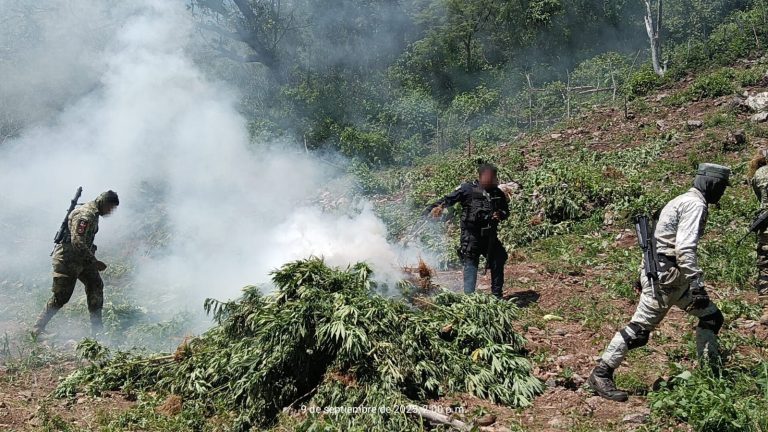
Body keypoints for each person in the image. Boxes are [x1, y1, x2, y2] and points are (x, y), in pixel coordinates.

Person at [588, 163, 730, 402]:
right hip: (669, 281)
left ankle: (710, 372)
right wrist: (697, 284)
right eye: (722, 187)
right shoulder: (695, 205)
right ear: (712, 183)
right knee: (638, 330)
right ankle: (601, 373)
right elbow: (684, 248)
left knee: (712, 317)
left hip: (667, 276)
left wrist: (642, 273)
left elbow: (656, 241)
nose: (722, 192)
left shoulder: (679, 200)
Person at [33, 190, 119, 336]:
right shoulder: (85, 215)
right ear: (103, 203)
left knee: (96, 286)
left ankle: (97, 331)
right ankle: (37, 328)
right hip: (67, 259)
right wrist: (94, 261)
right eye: (110, 208)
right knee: (61, 297)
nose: (110, 212)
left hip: (82, 259)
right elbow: (77, 241)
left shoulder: (94, 214)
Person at [425, 163, 510, 298]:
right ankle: (469, 298)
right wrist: (431, 210)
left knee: (498, 259)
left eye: (494, 177)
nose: (493, 180)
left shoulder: (497, 193)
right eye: (489, 177)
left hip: (490, 237)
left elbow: (506, 212)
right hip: (472, 236)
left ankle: (497, 296)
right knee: (471, 265)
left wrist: (500, 214)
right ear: (481, 176)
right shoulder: (467, 189)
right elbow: (448, 200)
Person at [748, 150, 768, 325]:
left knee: (765, 267)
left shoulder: (760, 173)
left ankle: (767, 308)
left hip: (766, 230)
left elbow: (759, 197)